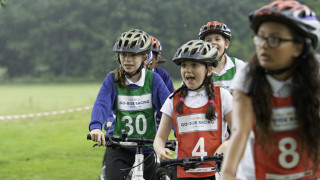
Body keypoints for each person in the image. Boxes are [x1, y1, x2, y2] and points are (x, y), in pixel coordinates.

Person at [220, 1, 320, 180]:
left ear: (299, 47)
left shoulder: (317, 73)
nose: (263, 45)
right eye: (260, 37)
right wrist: (228, 174)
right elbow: (240, 132)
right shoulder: (247, 77)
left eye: (274, 39)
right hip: (258, 174)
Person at [89, 29, 170, 180]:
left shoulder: (154, 79)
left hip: (147, 147)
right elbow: (101, 104)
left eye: (133, 55)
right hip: (119, 146)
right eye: (124, 55)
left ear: (145, 57)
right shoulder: (112, 79)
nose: (127, 60)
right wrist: (95, 127)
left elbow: (168, 110)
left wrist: (179, 135)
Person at [153, 40, 233, 179]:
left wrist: (226, 146)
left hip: (217, 173)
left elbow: (239, 132)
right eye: (184, 65)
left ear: (209, 70)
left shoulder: (223, 96)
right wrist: (160, 149)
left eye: (194, 65)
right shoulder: (173, 99)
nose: (188, 70)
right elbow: (160, 137)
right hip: (183, 173)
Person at [198, 21, 246, 93]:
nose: (213, 42)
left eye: (217, 39)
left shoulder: (239, 66)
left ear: (226, 44)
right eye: (208, 40)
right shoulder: (198, 68)